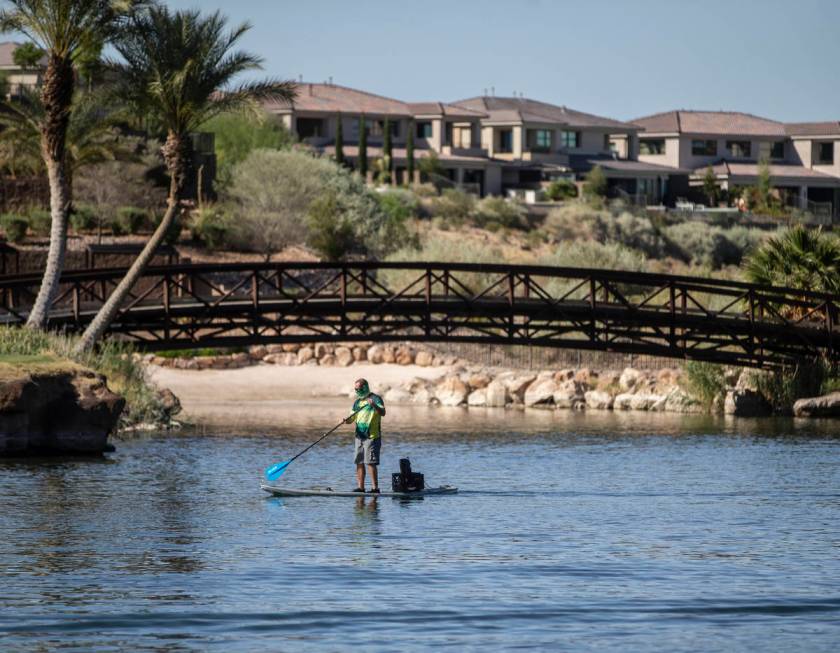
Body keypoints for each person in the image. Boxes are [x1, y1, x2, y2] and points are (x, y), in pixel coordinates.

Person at [345, 378, 385, 493]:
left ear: (365, 387)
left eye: (359, 389)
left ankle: (375, 488)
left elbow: (383, 413)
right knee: (359, 461)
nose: (357, 391)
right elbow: (352, 418)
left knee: (370, 462)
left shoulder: (376, 399)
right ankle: (361, 488)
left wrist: (374, 406)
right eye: (355, 389)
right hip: (359, 436)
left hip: (372, 436)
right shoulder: (357, 402)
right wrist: (346, 420)